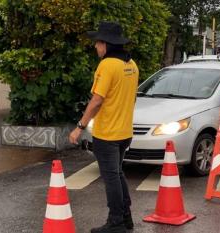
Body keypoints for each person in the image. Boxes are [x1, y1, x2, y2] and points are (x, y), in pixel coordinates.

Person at [69, 21, 139, 233]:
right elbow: (131, 98)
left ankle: (116, 223)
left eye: (98, 42)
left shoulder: (107, 65)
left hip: (107, 133)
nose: (95, 46)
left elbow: (97, 100)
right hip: (125, 132)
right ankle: (126, 219)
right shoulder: (132, 65)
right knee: (117, 174)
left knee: (111, 178)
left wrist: (79, 127)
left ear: (106, 44)